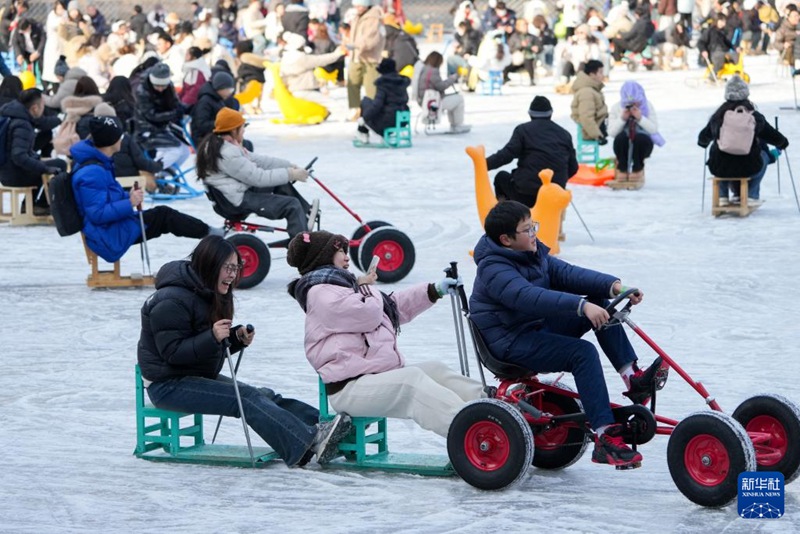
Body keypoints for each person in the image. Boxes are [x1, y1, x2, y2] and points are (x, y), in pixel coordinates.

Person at [469, 200, 665, 468]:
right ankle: (605, 436)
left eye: (533, 226)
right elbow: (527, 297)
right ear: (506, 239)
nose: (534, 233)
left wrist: (615, 286)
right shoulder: (493, 269)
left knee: (601, 301)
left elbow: (568, 273)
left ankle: (633, 379)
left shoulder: (530, 253)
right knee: (582, 353)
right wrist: (581, 306)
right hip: (510, 343)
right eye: (527, 230)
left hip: (535, 327)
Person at [138, 235, 353, 467]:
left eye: (236, 267)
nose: (232, 274)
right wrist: (211, 336)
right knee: (246, 399)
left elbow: (200, 346)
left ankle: (330, 429)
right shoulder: (170, 300)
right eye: (228, 267)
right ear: (209, 264)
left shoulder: (207, 291)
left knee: (265, 395)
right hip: (167, 385)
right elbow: (173, 353)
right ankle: (303, 442)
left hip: (194, 375)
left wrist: (234, 338)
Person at [286, 230, 486, 438]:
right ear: (323, 257)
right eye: (339, 251)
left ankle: (493, 405)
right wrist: (364, 285)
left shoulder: (343, 287)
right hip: (350, 389)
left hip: (373, 377)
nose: (347, 257)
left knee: (435, 370)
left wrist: (434, 290)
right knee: (410, 382)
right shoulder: (319, 292)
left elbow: (389, 308)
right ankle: (474, 431)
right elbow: (369, 313)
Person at [71, 117, 218, 263]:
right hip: (108, 235)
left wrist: (127, 195)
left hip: (111, 227)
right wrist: (130, 202)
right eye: (120, 137)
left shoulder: (98, 163)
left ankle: (208, 232)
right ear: (111, 142)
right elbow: (98, 214)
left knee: (163, 215)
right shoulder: (92, 172)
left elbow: (107, 196)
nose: (122, 140)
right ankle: (210, 234)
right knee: (164, 215)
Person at [197, 108, 315, 242]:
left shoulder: (225, 144)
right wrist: (291, 174)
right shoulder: (227, 153)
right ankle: (302, 247)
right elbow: (258, 178)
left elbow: (258, 160)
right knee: (292, 205)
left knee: (280, 182)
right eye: (242, 128)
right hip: (234, 201)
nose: (244, 131)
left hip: (233, 193)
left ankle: (306, 215)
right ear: (233, 130)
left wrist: (288, 165)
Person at [698, 75, 788, 207]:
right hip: (749, 166)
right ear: (746, 94)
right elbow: (772, 136)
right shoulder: (753, 116)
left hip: (720, 167)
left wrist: (704, 143)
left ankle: (722, 196)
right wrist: (783, 143)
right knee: (764, 155)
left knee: (716, 150)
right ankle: (751, 195)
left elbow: (702, 139)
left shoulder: (719, 116)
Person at [486, 96, 577, 207]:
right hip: (554, 193)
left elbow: (507, 154)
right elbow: (573, 167)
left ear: (530, 114)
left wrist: (484, 164)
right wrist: (557, 181)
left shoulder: (523, 130)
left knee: (501, 178)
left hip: (526, 193)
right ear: (550, 113)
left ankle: (509, 217)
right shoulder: (564, 134)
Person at [0, 88, 65, 215]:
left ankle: (29, 205)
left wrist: (60, 119)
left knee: (46, 164)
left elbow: (41, 122)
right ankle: (40, 204)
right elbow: (19, 156)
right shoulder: (22, 124)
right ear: (35, 108)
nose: (43, 110)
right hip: (15, 175)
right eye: (42, 106)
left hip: (5, 171)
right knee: (58, 164)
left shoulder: (13, 114)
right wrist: (44, 168)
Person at [134, 62, 191, 172]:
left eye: (163, 86)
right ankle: (152, 172)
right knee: (174, 151)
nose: (160, 89)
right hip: (147, 129)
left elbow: (176, 103)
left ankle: (163, 175)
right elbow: (151, 115)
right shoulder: (142, 91)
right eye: (157, 86)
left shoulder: (169, 87)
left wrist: (187, 108)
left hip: (163, 128)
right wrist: (174, 114)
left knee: (185, 151)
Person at [607, 81, 665, 182]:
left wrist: (640, 118)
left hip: (642, 144)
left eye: (636, 102)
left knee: (640, 138)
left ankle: (638, 168)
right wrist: (622, 119)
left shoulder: (647, 106)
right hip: (623, 144)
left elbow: (653, 129)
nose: (633, 105)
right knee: (621, 138)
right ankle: (622, 168)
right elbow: (612, 133)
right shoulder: (617, 108)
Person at [346, 0, 385, 121]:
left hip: (370, 58)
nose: (357, 7)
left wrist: (356, 45)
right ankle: (354, 108)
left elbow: (371, 39)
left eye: (359, 5)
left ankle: (371, 112)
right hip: (356, 56)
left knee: (371, 87)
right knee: (352, 82)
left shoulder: (374, 17)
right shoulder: (357, 16)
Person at [415, 51, 470, 133]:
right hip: (432, 102)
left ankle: (455, 125)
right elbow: (441, 86)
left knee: (453, 101)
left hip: (424, 99)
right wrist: (453, 78)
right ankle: (457, 125)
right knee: (459, 99)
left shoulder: (424, 68)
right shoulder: (433, 71)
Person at [356, 57, 409, 143]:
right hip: (401, 119)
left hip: (386, 121)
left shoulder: (383, 84)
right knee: (370, 104)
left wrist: (364, 118)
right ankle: (363, 132)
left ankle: (362, 132)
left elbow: (377, 105)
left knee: (365, 101)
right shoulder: (401, 83)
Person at [191, 71, 239, 147]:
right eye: (229, 90)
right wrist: (223, 124)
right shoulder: (205, 101)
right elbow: (201, 125)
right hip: (204, 138)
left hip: (214, 135)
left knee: (243, 143)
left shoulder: (218, 99)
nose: (230, 93)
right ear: (220, 88)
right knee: (240, 145)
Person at [570, 59, 607, 144]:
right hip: (591, 131)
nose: (603, 75)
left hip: (598, 126)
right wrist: (598, 135)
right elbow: (586, 117)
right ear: (592, 74)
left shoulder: (592, 89)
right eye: (600, 72)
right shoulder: (586, 93)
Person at [698, 13, 739, 77]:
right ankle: (712, 77)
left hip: (724, 51)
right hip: (713, 52)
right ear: (717, 21)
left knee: (735, 56)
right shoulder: (710, 31)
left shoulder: (722, 32)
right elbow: (701, 42)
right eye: (721, 21)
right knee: (720, 58)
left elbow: (727, 43)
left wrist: (735, 48)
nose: (723, 23)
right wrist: (703, 50)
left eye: (724, 21)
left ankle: (736, 76)